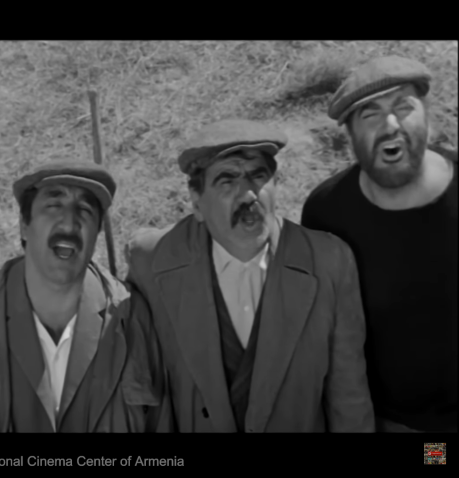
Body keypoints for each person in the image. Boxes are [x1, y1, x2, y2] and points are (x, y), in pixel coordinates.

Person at [126, 119, 375, 432]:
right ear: (197, 202)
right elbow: (145, 394)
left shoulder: (328, 261)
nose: (248, 195)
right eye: (227, 180)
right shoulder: (152, 261)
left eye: (258, 176)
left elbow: (348, 396)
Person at [0, 161, 171, 433]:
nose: (70, 222)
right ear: (24, 225)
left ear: (97, 232)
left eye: (85, 210)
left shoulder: (130, 318)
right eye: (53, 206)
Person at [301, 56, 457, 433]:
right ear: (350, 136)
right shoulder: (327, 213)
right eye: (370, 114)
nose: (390, 125)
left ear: (428, 116)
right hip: (394, 423)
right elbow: (326, 333)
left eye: (403, 106)